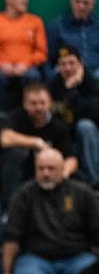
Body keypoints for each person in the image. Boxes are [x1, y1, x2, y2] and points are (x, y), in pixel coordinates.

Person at [0, 147, 99, 274]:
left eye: (51, 168)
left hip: (77, 256)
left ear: (62, 169)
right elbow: (12, 236)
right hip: (36, 257)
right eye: (41, 168)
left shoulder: (82, 193)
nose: (45, 173)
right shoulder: (24, 194)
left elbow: (97, 231)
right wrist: (7, 272)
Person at [0, 82, 77, 202]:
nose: (38, 107)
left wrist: (63, 174)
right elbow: (5, 139)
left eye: (42, 103)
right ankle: (10, 206)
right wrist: (36, 142)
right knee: (16, 153)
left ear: (50, 103)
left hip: (48, 173)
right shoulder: (17, 116)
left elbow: (72, 159)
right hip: (21, 170)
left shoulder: (59, 125)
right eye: (33, 103)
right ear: (25, 105)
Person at [48, 45, 99, 183]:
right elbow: (55, 116)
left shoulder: (92, 84)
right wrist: (68, 88)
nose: (68, 68)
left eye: (72, 63)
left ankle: (94, 180)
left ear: (81, 64)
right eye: (63, 64)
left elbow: (93, 113)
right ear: (58, 67)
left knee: (85, 126)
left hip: (92, 135)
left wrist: (71, 92)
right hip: (64, 136)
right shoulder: (53, 87)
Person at [48, 0, 99, 77]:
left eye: (86, 3)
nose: (81, 7)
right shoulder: (57, 25)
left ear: (93, 4)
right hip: (67, 71)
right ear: (71, 2)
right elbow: (49, 57)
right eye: (77, 2)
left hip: (95, 72)